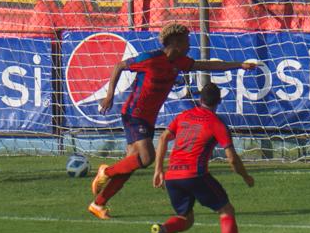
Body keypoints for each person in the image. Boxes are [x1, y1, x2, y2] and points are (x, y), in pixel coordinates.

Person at [87, 22, 256, 219]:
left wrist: (239, 65)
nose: (189, 45)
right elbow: (119, 66)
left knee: (133, 163)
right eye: (186, 41)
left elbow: (207, 65)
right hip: (134, 114)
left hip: (148, 119)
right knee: (147, 157)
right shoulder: (150, 59)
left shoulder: (179, 62)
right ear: (175, 43)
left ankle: (98, 204)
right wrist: (109, 95)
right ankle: (106, 171)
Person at [150, 82, 255, 233]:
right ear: (219, 101)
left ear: (200, 99)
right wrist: (246, 177)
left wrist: (158, 169)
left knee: (185, 219)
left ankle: (162, 229)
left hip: (173, 176)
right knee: (226, 210)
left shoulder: (183, 116)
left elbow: (164, 137)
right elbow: (231, 158)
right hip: (194, 174)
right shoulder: (217, 123)